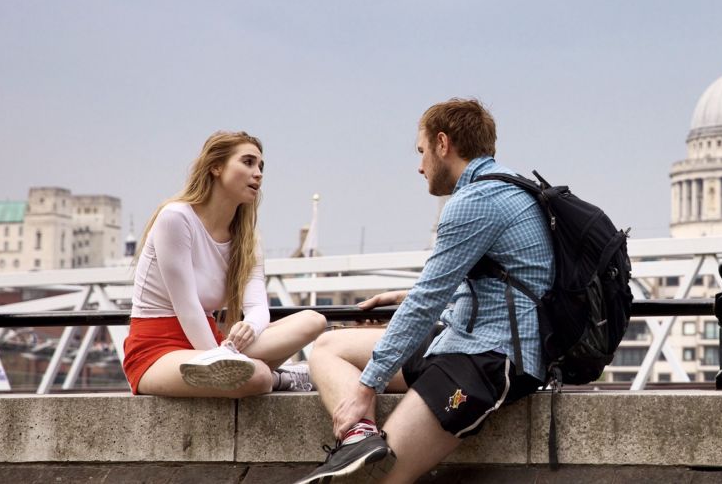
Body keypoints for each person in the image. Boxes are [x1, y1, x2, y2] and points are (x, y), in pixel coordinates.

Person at [296, 99, 553, 484]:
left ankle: (365, 448)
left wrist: (368, 387)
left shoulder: (474, 201)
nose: (420, 167)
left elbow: (425, 304)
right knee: (328, 348)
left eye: (421, 152)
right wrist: (404, 295)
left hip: (489, 358)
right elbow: (493, 283)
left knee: (379, 480)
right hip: (460, 340)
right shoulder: (506, 186)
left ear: (443, 144)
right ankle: (360, 438)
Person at [122, 131, 326, 397]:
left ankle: (247, 368)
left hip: (215, 344)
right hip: (158, 352)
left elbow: (257, 307)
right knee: (258, 376)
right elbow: (188, 308)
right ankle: (282, 377)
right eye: (248, 162)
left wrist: (249, 328)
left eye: (261, 166)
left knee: (314, 320)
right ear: (216, 167)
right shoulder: (176, 218)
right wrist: (219, 358)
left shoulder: (248, 236)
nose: (258, 173)